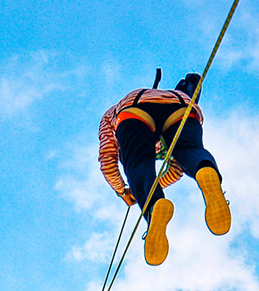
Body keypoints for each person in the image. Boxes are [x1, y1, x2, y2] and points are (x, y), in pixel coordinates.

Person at [98, 73, 230, 266]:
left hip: (133, 109)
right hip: (181, 104)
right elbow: (177, 168)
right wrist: (156, 183)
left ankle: (153, 205)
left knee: (138, 163)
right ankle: (205, 171)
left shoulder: (109, 115)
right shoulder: (172, 96)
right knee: (189, 150)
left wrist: (125, 191)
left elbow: (107, 159)